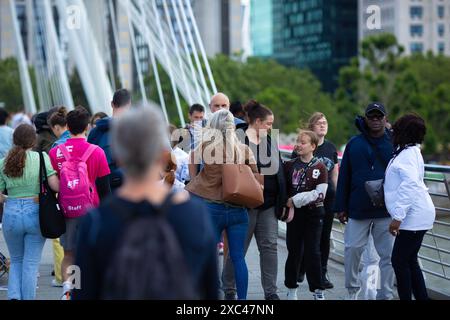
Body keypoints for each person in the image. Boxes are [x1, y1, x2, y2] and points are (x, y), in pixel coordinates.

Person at [72, 105, 218, 299]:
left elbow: (82, 291)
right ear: (161, 152)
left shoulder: (96, 222)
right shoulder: (195, 215)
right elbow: (210, 289)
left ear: (119, 155)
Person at [186, 109, 258, 300]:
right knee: (238, 258)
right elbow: (255, 175)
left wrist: (195, 182)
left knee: (209, 257)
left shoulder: (206, 147)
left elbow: (191, 159)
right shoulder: (243, 149)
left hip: (212, 208)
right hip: (238, 210)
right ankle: (241, 301)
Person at [222, 100, 286, 300]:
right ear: (257, 121)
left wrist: (283, 200)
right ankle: (229, 289)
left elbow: (279, 171)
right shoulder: (238, 139)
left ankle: (271, 292)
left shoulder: (269, 141)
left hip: (268, 204)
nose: (270, 127)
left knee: (269, 247)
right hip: (244, 204)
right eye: (268, 123)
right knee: (238, 248)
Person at [49, 106, 111, 300]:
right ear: (87, 127)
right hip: (92, 210)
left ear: (67, 126)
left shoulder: (55, 152)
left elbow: (53, 185)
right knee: (92, 255)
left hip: (67, 211)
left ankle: (69, 290)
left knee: (69, 254)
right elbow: (104, 188)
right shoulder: (97, 152)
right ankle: (88, 292)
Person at [334, 102, 395, 300]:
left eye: (379, 116)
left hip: (386, 211)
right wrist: (341, 206)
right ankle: (352, 291)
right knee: (352, 250)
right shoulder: (354, 143)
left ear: (386, 119)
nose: (375, 119)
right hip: (357, 209)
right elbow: (344, 176)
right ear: (366, 119)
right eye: (372, 116)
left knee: (388, 257)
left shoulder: (394, 142)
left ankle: (385, 294)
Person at [0, 124, 59, 299]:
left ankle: (14, 297)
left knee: (16, 260)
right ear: (33, 140)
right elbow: (55, 185)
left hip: (11, 214)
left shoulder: (3, 162)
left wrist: (10, 198)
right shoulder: (42, 158)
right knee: (31, 264)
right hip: (35, 213)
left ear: (14, 140)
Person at [384, 114, 435, 300]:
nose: (393, 131)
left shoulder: (407, 155)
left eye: (397, 128)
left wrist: (397, 218)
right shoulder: (410, 150)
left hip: (412, 217)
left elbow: (410, 185)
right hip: (417, 214)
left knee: (399, 261)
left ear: (404, 132)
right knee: (410, 260)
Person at [294, 112, 339, 289]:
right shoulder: (304, 145)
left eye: (325, 122)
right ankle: (301, 268)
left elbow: (335, 173)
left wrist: (338, 197)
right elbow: (294, 171)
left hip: (327, 199)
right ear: (312, 126)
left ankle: (322, 272)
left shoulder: (331, 147)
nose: (323, 125)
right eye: (319, 123)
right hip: (307, 200)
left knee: (324, 238)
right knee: (306, 237)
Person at [284, 130, 328, 300]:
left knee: (313, 252)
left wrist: (295, 200)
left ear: (313, 146)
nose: (298, 145)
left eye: (303, 142)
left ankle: (318, 290)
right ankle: (291, 288)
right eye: (297, 141)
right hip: (294, 216)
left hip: (314, 214)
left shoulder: (320, 167)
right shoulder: (289, 165)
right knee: (293, 251)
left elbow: (319, 194)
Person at [88, 89, 131, 190]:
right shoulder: (133, 129)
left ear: (112, 104)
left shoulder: (95, 132)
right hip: (128, 185)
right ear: (129, 104)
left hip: (102, 187)